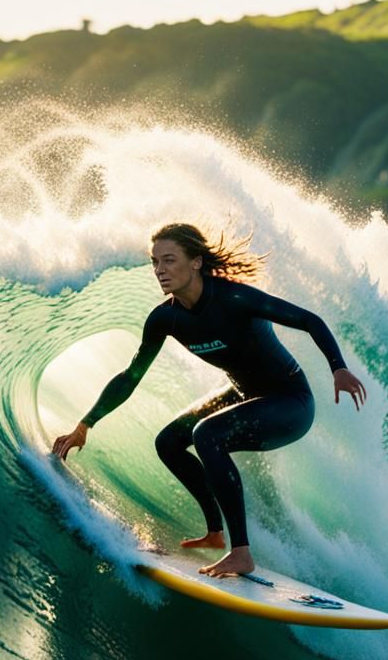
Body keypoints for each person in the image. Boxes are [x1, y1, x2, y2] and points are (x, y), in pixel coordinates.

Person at [52, 222, 367, 578]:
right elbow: (130, 376)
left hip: (290, 402)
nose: (159, 270)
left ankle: (242, 553)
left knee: (207, 434)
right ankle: (215, 533)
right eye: (155, 262)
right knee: (169, 442)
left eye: (169, 260)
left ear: (196, 262)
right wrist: (85, 424)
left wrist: (338, 369)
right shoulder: (165, 318)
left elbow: (308, 320)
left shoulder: (234, 298)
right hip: (245, 393)